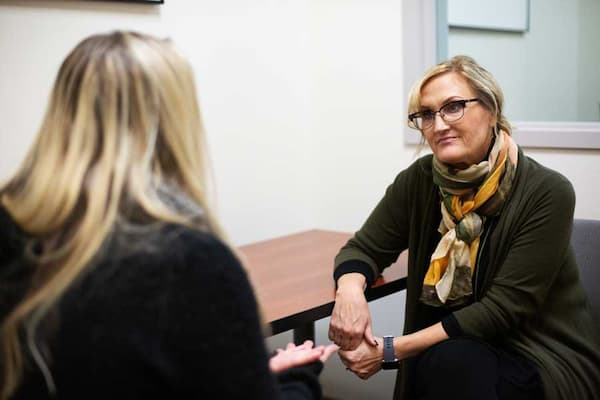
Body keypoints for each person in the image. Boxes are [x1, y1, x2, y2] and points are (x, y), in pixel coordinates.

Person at [0, 31, 337, 399]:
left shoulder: (11, 228)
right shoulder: (190, 261)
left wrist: (248, 371)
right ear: (174, 121)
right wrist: (299, 378)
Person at [328, 55, 600, 400]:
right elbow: (363, 248)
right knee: (449, 362)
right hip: (452, 355)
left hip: (535, 355)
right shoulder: (421, 180)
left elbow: (502, 309)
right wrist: (349, 293)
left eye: (453, 107)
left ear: (491, 110)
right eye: (426, 114)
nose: (439, 124)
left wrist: (389, 350)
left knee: (451, 363)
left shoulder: (548, 191)